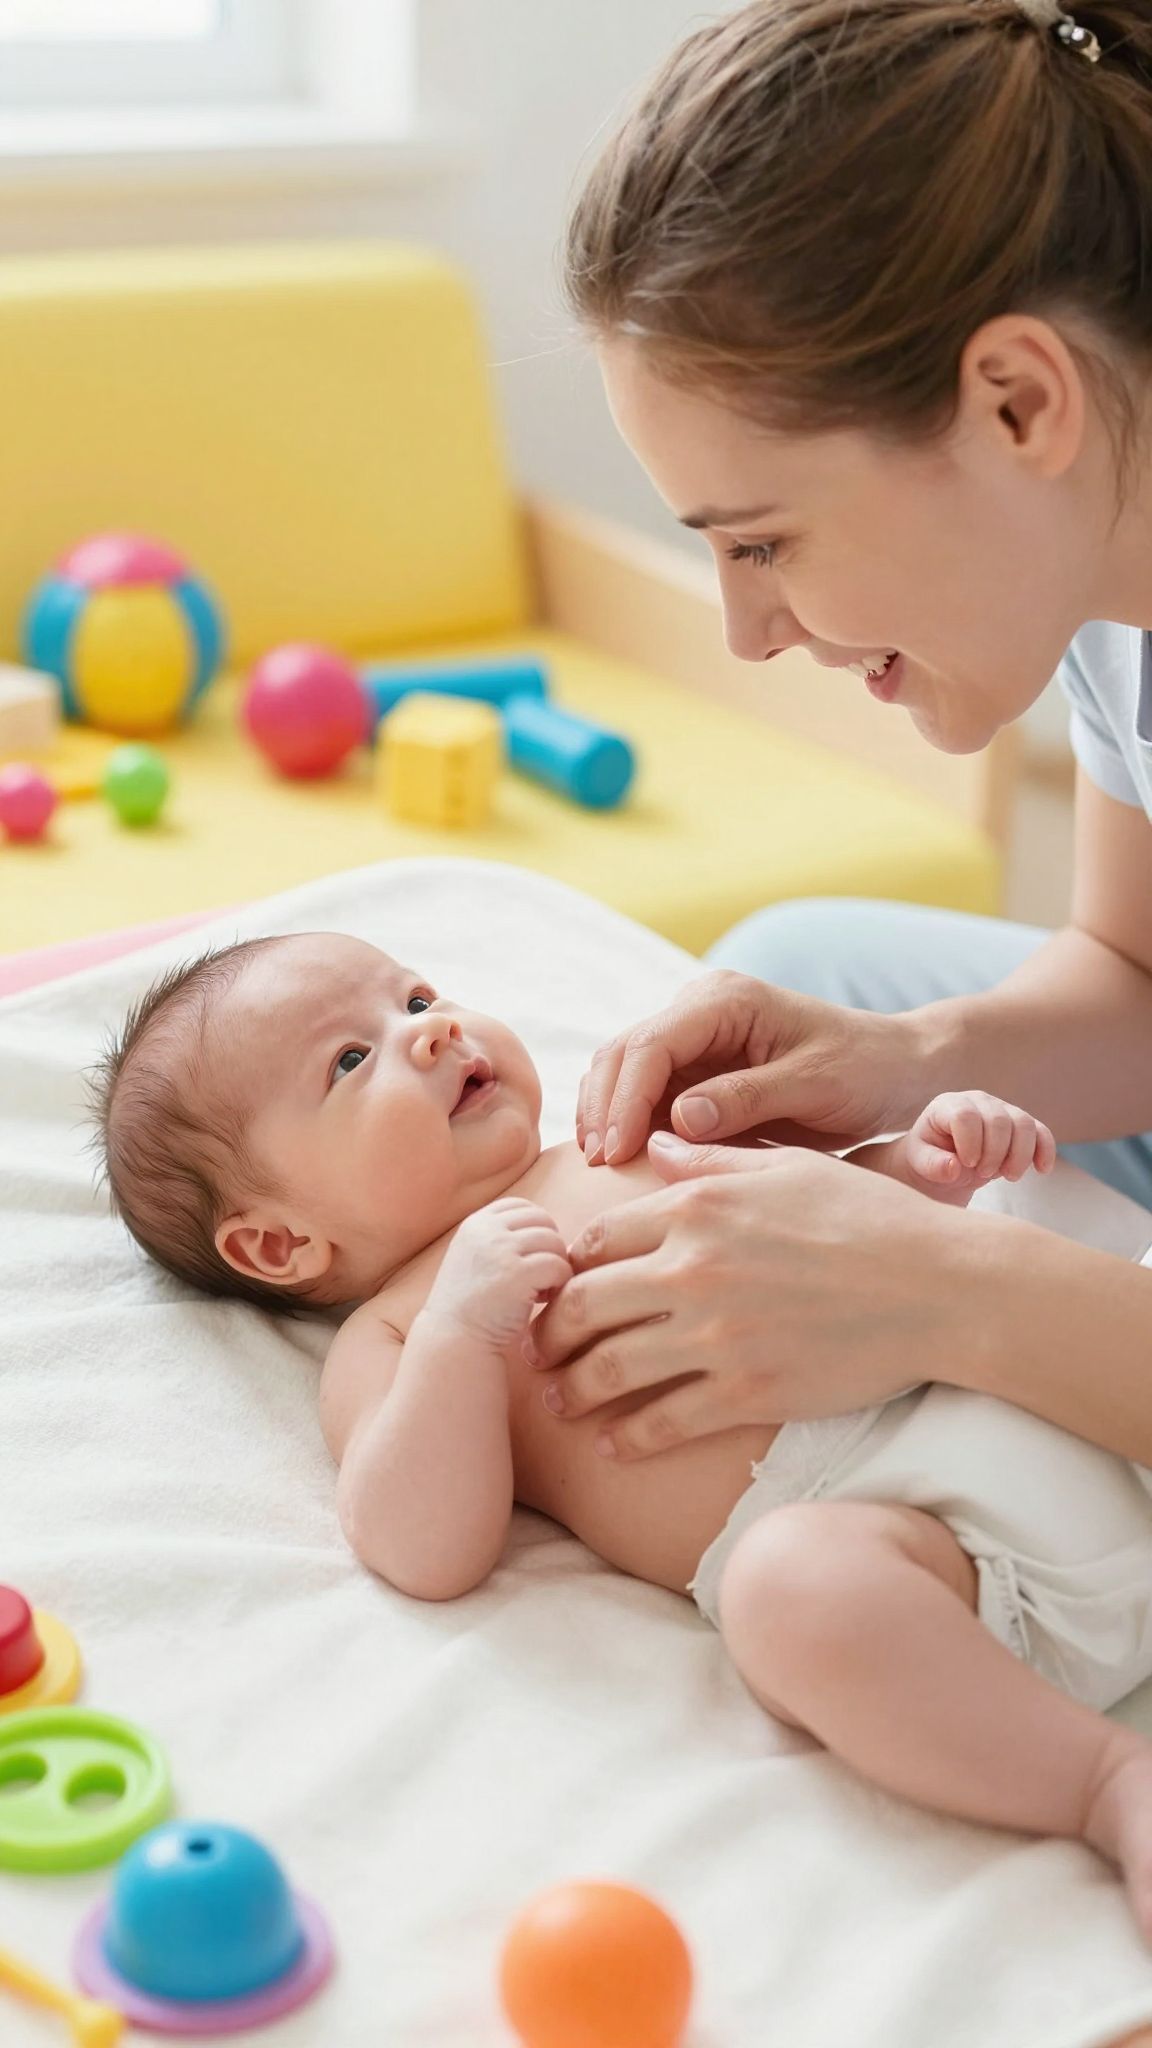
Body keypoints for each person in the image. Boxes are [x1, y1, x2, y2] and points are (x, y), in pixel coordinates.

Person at [90, 930, 1152, 1947]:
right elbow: (419, 1542)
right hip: (950, 1552)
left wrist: (928, 1164)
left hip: (1061, 1378)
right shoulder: (403, 1331)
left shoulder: (626, 1142)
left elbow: (845, 1218)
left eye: (418, 997)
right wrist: (462, 1334)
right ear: (280, 1240)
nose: (431, 1031)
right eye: (352, 1058)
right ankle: (1107, 1780)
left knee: (1046, 1199)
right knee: (789, 1590)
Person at [526, 0, 1152, 1527]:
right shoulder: (1098, 576)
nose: (746, 631)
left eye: (766, 541)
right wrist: (908, 1067)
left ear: (1018, 402)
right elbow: (1135, 977)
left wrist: (952, 1290)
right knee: (804, 965)